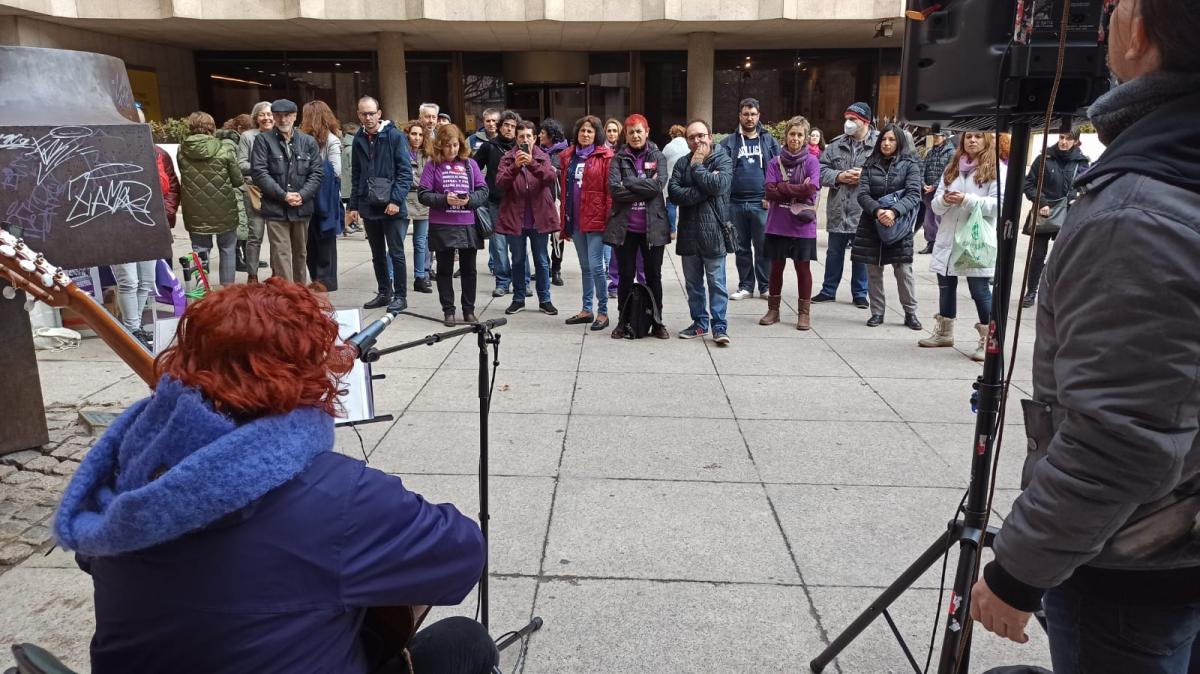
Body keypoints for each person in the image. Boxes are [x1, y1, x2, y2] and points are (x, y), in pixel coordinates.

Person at [54, 278, 496, 674]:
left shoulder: (130, 464)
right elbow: (461, 557)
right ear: (306, 377)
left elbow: (89, 560)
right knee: (464, 640)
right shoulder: (340, 497)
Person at [970, 4, 1200, 672]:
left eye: (1118, 7)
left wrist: (1018, 572)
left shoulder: (1141, 212)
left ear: (1140, 33)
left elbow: (1120, 442)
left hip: (1140, 568)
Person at [918, 131, 1000, 361]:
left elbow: (998, 206)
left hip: (975, 239)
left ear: (986, 141)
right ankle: (945, 332)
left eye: (978, 137)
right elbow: (935, 206)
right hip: (949, 237)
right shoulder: (952, 168)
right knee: (945, 285)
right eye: (968, 137)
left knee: (980, 290)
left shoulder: (994, 170)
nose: (972, 140)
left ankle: (990, 339)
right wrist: (944, 200)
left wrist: (966, 199)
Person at [851, 123, 922, 330]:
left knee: (903, 271)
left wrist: (893, 211)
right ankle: (877, 312)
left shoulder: (910, 164)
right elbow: (862, 194)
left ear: (899, 141)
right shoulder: (870, 164)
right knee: (874, 270)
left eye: (891, 140)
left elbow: (914, 194)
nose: (887, 143)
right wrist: (878, 211)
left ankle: (910, 312)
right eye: (884, 139)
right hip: (872, 224)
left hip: (899, 224)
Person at [605, 113, 670, 340]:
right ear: (626, 134)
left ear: (647, 131)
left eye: (638, 131)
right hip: (626, 229)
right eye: (631, 132)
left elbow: (658, 186)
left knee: (653, 276)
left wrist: (629, 183)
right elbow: (614, 189)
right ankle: (623, 322)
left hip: (653, 229)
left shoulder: (658, 156)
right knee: (625, 276)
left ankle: (657, 322)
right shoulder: (618, 158)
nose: (635, 135)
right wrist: (645, 185)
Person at [669, 119, 733, 346]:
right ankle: (699, 323)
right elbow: (674, 194)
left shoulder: (723, 159)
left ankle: (719, 326)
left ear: (710, 135)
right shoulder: (680, 164)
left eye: (701, 135)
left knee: (717, 283)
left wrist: (697, 167)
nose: (697, 140)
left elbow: (719, 186)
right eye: (692, 137)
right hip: (688, 234)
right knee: (693, 285)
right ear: (686, 140)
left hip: (713, 235)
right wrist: (703, 190)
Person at [347, 95, 413, 313]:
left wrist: (396, 200)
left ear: (379, 113)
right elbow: (356, 174)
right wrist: (353, 206)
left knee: (396, 252)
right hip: (369, 204)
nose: (368, 117)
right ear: (358, 114)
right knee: (376, 253)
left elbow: (405, 173)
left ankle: (400, 296)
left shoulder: (394, 136)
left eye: (371, 113)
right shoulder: (359, 139)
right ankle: (384, 292)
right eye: (363, 113)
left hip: (391, 206)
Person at [418, 124, 489, 327]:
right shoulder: (432, 165)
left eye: (455, 145)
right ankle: (448, 310)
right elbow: (423, 194)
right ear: (439, 146)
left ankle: (469, 311)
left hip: (467, 223)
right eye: (448, 146)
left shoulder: (470, 165)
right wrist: (444, 199)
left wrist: (469, 200)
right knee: (444, 270)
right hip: (442, 223)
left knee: (469, 270)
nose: (452, 150)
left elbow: (483, 191)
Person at [251, 99, 324, 283]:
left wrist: (303, 194)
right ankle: (287, 298)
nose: (283, 120)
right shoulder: (263, 140)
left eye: (287, 116)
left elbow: (316, 173)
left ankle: (299, 295)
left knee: (300, 253)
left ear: (295, 116)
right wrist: (283, 195)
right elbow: (259, 172)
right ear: (274, 117)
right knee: (281, 254)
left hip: (301, 206)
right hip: (275, 208)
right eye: (279, 116)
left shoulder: (308, 142)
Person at [813, 102, 877, 308]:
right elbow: (820, 171)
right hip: (838, 208)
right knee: (834, 253)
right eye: (847, 119)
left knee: (861, 254)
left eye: (853, 119)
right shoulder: (835, 145)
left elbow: (887, 173)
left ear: (865, 122)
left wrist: (864, 176)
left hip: (863, 210)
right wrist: (839, 176)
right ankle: (828, 290)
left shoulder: (878, 145)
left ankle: (860, 293)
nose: (848, 123)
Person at [760, 116, 820, 330]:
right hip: (777, 224)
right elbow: (768, 190)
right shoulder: (774, 162)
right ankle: (773, 310)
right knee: (776, 268)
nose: (795, 138)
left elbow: (812, 188)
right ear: (785, 136)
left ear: (805, 139)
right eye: (792, 134)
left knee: (803, 269)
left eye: (800, 135)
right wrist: (798, 189)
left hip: (803, 226)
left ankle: (804, 314)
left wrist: (782, 188)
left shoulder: (812, 161)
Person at [718, 97, 782, 301]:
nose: (749, 118)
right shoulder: (729, 142)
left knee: (763, 246)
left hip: (761, 203)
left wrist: (770, 196)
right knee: (741, 247)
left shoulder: (769, 141)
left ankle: (765, 286)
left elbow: (778, 171)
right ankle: (746, 285)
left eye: (753, 114)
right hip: (735, 202)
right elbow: (721, 171)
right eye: (746, 114)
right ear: (740, 116)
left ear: (759, 116)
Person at [495, 120, 559, 316]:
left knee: (541, 260)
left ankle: (545, 299)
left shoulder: (542, 156)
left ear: (535, 138)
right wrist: (516, 166)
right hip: (516, 218)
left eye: (528, 136)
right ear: (516, 138)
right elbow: (500, 183)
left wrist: (530, 163)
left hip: (539, 218)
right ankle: (518, 298)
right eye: (521, 136)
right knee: (518, 260)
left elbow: (549, 178)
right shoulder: (507, 158)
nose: (525, 140)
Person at [1020, 130, 1089, 308]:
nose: (1063, 142)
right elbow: (1028, 184)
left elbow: (1087, 186)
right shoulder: (1044, 158)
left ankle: (1054, 293)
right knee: (1037, 255)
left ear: (1075, 141)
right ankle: (1031, 291)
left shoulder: (1081, 162)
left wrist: (1076, 197)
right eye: (1061, 137)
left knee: (1062, 257)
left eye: (1068, 139)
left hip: (1067, 214)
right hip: (1045, 213)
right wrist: (1041, 201)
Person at [558, 115, 614, 331]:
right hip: (576, 219)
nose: (586, 134)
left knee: (597, 267)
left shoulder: (605, 156)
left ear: (596, 134)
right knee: (585, 267)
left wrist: (609, 219)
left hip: (597, 220)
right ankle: (586, 309)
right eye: (582, 130)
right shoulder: (569, 157)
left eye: (590, 131)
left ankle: (603, 312)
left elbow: (610, 192)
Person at [178, 111, 243, 286]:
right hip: (225, 208)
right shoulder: (225, 148)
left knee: (200, 249)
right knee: (228, 249)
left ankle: (203, 288)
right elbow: (238, 180)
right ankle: (227, 291)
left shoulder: (182, 150)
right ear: (212, 127)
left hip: (195, 209)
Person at [474, 110, 522, 297]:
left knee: (519, 247)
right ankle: (502, 282)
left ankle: (522, 282)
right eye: (506, 126)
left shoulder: (522, 146)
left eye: (513, 126)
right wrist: (481, 187)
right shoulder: (489, 146)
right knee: (499, 245)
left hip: (517, 203)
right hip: (495, 202)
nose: (509, 129)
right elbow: (474, 167)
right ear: (500, 127)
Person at [300, 100, 344, 292]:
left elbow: (335, 171)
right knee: (325, 239)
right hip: (326, 197)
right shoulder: (332, 139)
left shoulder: (306, 139)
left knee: (311, 240)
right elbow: (337, 172)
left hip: (309, 196)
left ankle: (320, 279)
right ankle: (325, 280)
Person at [236, 101, 273, 281]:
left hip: (276, 192)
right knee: (255, 235)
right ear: (256, 117)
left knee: (277, 237)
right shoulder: (248, 137)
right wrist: (263, 168)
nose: (266, 118)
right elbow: (241, 164)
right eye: (262, 114)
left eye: (269, 114)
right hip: (254, 191)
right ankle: (252, 275)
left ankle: (277, 274)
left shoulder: (280, 135)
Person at [538, 118, 569, 286]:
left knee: (557, 237)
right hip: (540, 199)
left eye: (542, 133)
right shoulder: (536, 151)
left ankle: (556, 269)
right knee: (540, 236)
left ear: (551, 135)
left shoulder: (564, 152)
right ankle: (545, 268)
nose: (539, 135)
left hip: (557, 199)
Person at [404, 120, 433, 293]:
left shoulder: (428, 154)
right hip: (404, 198)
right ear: (407, 134)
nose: (417, 138)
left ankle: (420, 277)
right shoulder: (400, 151)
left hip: (422, 199)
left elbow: (429, 178)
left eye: (421, 135)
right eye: (414, 134)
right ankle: (391, 278)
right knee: (397, 242)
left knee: (421, 242)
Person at [919, 130, 955, 255]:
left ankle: (941, 245)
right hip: (928, 191)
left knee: (939, 220)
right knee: (928, 221)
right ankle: (931, 243)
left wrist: (935, 186)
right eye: (934, 135)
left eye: (938, 136)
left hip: (941, 191)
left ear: (945, 137)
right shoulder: (930, 153)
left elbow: (949, 172)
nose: (935, 138)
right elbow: (923, 168)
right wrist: (923, 183)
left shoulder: (951, 153)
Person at [661, 124, 690, 238]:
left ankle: (672, 230)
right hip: (686, 180)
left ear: (672, 134)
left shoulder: (668, 147)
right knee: (686, 206)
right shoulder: (688, 145)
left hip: (671, 180)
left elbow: (661, 162)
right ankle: (686, 229)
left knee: (671, 205)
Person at [340, 121, 361, 234]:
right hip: (351, 185)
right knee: (351, 208)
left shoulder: (345, 147)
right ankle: (343, 226)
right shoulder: (352, 148)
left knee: (349, 207)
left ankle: (346, 226)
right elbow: (354, 168)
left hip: (345, 184)